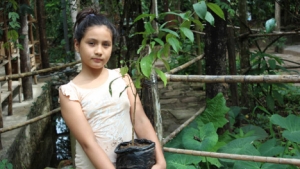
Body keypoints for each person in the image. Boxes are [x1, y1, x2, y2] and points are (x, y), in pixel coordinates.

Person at [59, 7, 166, 169]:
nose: (99, 51)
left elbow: (140, 119)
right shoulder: (70, 93)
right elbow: (88, 143)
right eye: (91, 43)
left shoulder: (122, 77)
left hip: (135, 163)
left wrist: (160, 161)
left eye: (106, 45)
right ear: (77, 44)